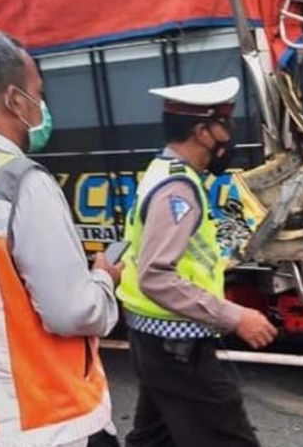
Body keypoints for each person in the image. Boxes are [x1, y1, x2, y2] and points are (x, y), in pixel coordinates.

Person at [0, 29, 122, 446]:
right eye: (38, 93)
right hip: (47, 423)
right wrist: (104, 280)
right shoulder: (20, 183)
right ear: (15, 100)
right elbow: (73, 312)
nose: (42, 107)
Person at [117, 79, 278, 447]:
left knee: (153, 439)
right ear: (202, 132)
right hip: (178, 348)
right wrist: (235, 316)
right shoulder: (178, 190)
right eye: (225, 123)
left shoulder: (164, 172)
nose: (229, 134)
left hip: (154, 340)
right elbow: (156, 277)